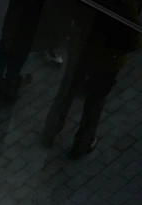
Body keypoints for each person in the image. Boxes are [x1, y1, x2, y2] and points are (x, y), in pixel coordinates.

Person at [42, 0, 141, 158]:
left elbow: (76, 12)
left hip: (83, 48)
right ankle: (82, 143)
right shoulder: (129, 4)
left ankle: (50, 131)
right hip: (108, 60)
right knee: (95, 102)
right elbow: (133, 40)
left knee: (67, 90)